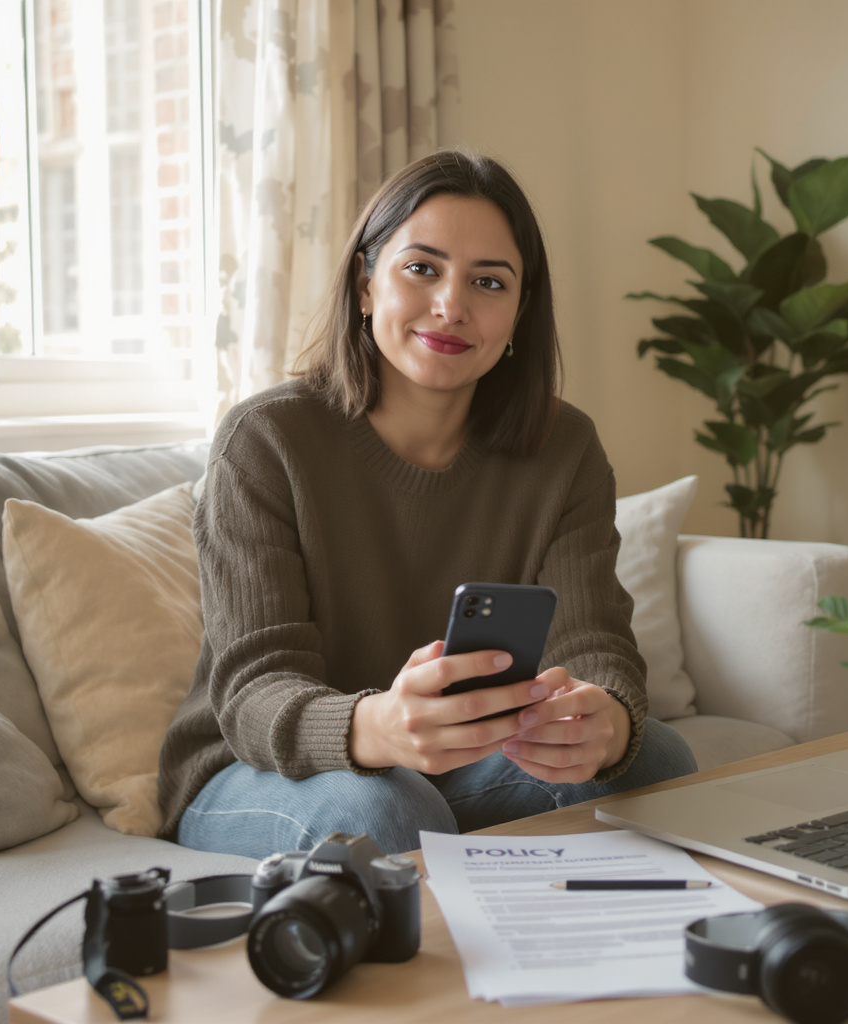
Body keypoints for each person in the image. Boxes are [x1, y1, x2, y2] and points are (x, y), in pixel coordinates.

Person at [157, 150, 697, 858]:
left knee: (656, 760)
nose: (452, 305)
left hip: (450, 759)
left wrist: (607, 721)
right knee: (386, 808)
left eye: (488, 281)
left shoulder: (564, 448)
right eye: (422, 268)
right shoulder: (266, 441)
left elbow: (591, 640)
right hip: (256, 770)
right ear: (364, 284)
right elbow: (255, 694)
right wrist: (378, 726)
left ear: (519, 312)